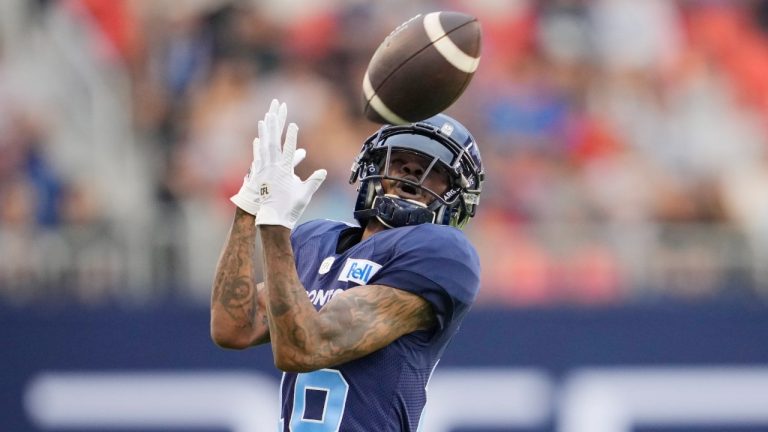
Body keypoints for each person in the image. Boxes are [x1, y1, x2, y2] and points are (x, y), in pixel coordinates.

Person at [210, 98, 484, 431]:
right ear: (370, 167)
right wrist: (250, 205)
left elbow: (305, 348)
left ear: (458, 195)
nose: (413, 173)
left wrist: (275, 227)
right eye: (399, 161)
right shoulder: (316, 239)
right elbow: (232, 327)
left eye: (435, 171)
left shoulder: (441, 253)